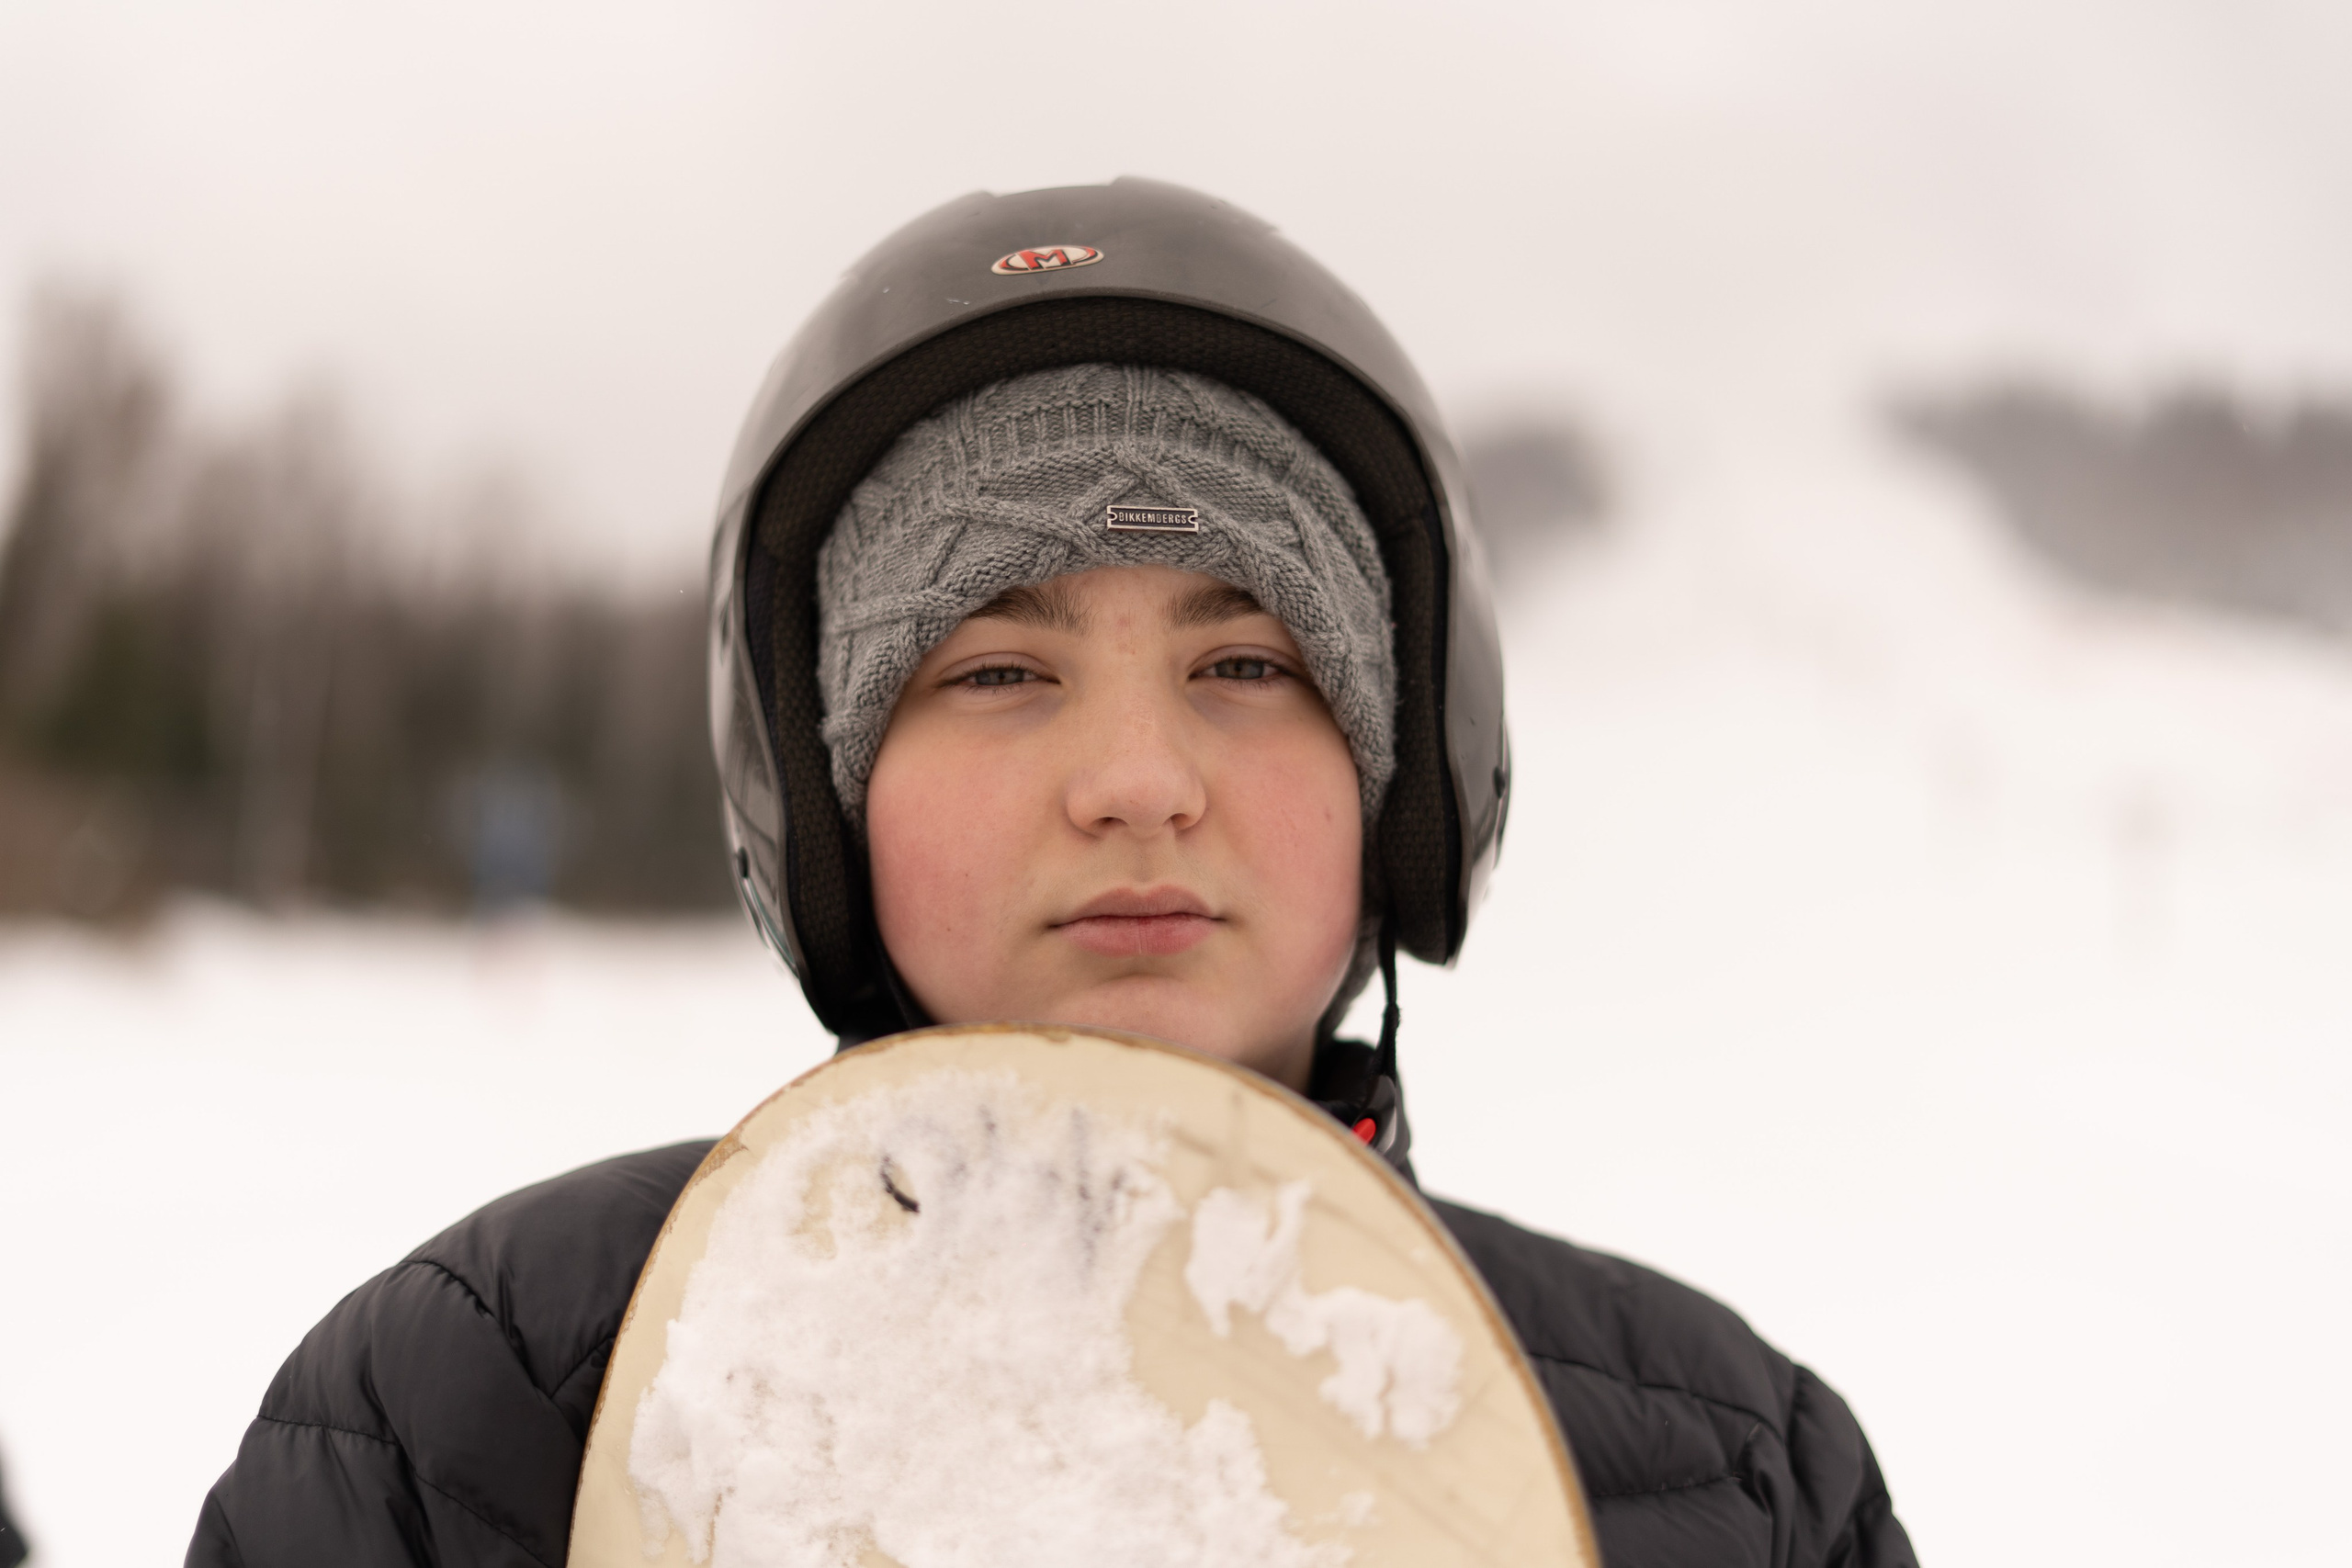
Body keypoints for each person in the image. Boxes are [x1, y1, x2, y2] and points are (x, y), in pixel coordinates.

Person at [187, 180, 1916, 1568]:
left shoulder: (1741, 1481)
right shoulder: (468, 1419)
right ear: (828, 804)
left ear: (1405, 779)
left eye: (1247, 666)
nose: (1138, 785)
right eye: (999, 674)